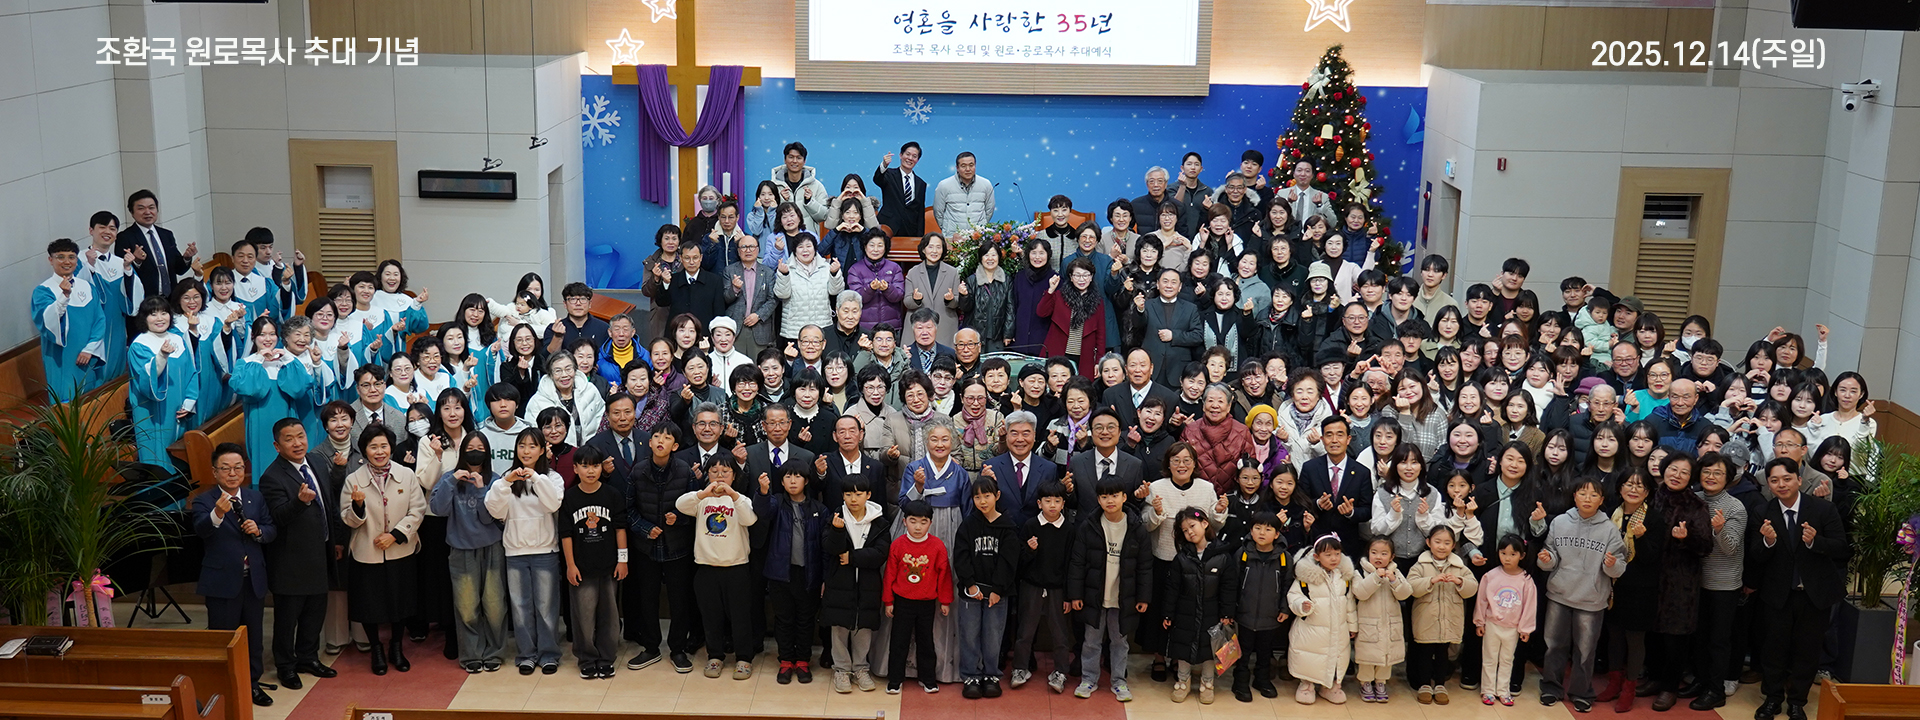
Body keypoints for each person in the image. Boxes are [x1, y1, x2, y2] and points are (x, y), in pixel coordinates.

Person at [1750, 457, 1850, 720]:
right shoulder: (1762, 512)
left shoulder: (1822, 509)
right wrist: (1768, 542)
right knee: (1773, 650)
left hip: (1813, 594)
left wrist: (1815, 542)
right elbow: (1755, 554)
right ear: (1768, 484)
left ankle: (1797, 702)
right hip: (1777, 595)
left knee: (1807, 651)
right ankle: (1772, 699)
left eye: (1787, 478)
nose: (1781, 484)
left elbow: (1841, 547)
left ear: (1799, 480)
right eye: (1774, 480)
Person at [257, 419, 341, 691]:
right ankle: (286, 666)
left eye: (301, 436)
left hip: (320, 554)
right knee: (287, 620)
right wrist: (299, 502)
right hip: (290, 562)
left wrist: (336, 541)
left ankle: (308, 658)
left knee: (314, 614)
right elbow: (278, 517)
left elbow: (328, 504)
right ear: (277, 446)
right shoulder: (272, 477)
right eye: (289, 439)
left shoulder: (316, 462)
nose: (297, 443)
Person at [193, 444, 276, 707]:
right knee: (224, 637)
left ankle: (252, 684)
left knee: (253, 637)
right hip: (222, 582)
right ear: (215, 472)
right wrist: (218, 513)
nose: (232, 473)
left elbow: (271, 528)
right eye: (226, 468)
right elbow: (201, 530)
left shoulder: (255, 498)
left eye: (238, 468)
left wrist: (259, 531)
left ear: (244, 470)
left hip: (253, 580)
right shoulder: (204, 500)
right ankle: (224, 686)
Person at [340, 424, 426, 675]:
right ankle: (376, 649)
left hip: (400, 550)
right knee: (370, 604)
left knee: (400, 602)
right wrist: (358, 507)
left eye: (384, 446)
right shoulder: (353, 480)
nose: (379, 452)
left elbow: (418, 510)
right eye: (373, 447)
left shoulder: (406, 475)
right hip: (367, 551)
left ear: (391, 447)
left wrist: (396, 535)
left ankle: (396, 647)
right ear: (364, 450)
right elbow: (347, 518)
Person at [1535, 479, 1627, 712]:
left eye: (1594, 495)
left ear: (1602, 500)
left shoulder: (1609, 529)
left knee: (1585, 651)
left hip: (1591, 600)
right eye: (1583, 493)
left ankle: (1581, 692)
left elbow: (1619, 566)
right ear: (1574, 496)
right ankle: (1551, 687)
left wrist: (1612, 565)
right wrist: (1546, 559)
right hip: (1559, 594)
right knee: (1554, 646)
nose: (1587, 498)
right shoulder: (1559, 522)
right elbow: (1550, 554)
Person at [430, 433, 510, 673]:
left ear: (487, 453)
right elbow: (438, 509)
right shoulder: (449, 478)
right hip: (461, 550)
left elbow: (488, 517)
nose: (475, 452)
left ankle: (494, 652)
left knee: (495, 606)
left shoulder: (495, 480)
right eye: (471, 447)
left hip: (492, 548)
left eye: (481, 448)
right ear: (462, 451)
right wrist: (451, 482)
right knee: (466, 607)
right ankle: (471, 654)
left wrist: (481, 489)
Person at [1068, 476, 1153, 701]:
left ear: (1124, 497)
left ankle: (1119, 681)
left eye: (1115, 495)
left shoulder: (1136, 527)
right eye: (1104, 497)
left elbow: (1145, 566)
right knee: (1091, 641)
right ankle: (1088, 679)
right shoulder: (1089, 526)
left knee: (1120, 642)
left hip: (1123, 598)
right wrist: (1075, 594)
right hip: (1094, 596)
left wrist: (1143, 597)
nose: (1110, 501)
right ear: (1098, 500)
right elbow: (1077, 562)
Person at [679, 456, 759, 680]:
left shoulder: (741, 499)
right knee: (710, 616)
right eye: (714, 471)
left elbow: (750, 519)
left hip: (736, 568)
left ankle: (744, 658)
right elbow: (680, 505)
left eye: (725, 471)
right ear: (707, 475)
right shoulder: (701, 500)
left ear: (734, 475)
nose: (720, 475)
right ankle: (715, 656)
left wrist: (733, 495)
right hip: (706, 568)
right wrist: (703, 493)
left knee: (740, 616)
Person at [753, 458, 829, 684]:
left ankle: (803, 661)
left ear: (806, 481)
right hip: (780, 574)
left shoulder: (819, 509)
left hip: (809, 575)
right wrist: (763, 492)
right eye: (788, 476)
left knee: (806, 619)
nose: (793, 481)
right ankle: (786, 660)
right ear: (782, 482)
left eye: (798, 476)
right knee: (784, 619)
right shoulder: (776, 502)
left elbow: (825, 548)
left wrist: (825, 578)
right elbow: (762, 512)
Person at [557, 444, 627, 679]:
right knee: (583, 617)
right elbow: (566, 534)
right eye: (585, 466)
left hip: (609, 567)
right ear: (575, 469)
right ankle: (587, 658)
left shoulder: (612, 494)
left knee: (610, 616)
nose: (590, 471)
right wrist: (570, 565)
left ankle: (606, 658)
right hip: (582, 568)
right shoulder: (569, 497)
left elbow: (620, 529)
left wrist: (623, 560)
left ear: (601, 468)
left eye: (595, 466)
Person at [820, 474, 890, 693]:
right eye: (848, 494)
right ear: (842, 495)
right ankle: (841, 670)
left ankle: (861, 668)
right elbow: (829, 548)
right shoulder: (835, 518)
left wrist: (853, 557)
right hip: (839, 583)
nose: (853, 499)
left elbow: (881, 553)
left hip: (868, 585)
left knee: (863, 628)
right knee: (839, 628)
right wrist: (837, 530)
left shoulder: (880, 522)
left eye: (858, 494)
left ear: (868, 495)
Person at [951, 476, 1016, 698]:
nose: (982, 501)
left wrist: (998, 589)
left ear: (997, 496)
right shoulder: (968, 525)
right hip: (971, 592)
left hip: (997, 594)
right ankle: (970, 675)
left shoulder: (1008, 527)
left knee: (993, 636)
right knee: (969, 634)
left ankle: (991, 675)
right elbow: (961, 557)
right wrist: (970, 585)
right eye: (977, 497)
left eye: (987, 496)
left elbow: (1009, 561)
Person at [1010, 480, 1074, 694]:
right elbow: (1020, 561)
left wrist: (1069, 595)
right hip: (1032, 587)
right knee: (1025, 631)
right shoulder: (1030, 526)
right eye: (1048, 501)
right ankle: (1020, 668)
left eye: (1057, 501)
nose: (1052, 505)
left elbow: (1071, 564)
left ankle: (1060, 671)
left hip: (1058, 589)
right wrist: (1030, 550)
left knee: (1060, 634)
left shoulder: (1069, 529)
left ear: (1063, 504)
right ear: (1039, 503)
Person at [883, 499, 953, 694]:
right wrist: (888, 601)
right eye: (913, 521)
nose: (918, 527)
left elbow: (944, 574)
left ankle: (927, 678)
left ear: (931, 523)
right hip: (902, 602)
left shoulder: (937, 546)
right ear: (904, 521)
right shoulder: (898, 545)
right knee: (899, 641)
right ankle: (895, 679)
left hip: (927, 602)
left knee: (926, 642)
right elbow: (889, 574)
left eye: (923, 522)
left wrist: (945, 600)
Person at [1159, 509, 1225, 704]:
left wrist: (1227, 612)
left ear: (1204, 523)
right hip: (1184, 611)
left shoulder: (1221, 555)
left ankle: (1207, 683)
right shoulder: (1181, 558)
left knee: (1209, 648)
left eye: (1192, 526)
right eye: (1185, 530)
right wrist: (1168, 614)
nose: (1190, 532)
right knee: (1183, 646)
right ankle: (1183, 681)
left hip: (1212, 611)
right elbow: (1172, 589)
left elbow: (1228, 588)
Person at [1408, 525, 1478, 706]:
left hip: (1449, 619)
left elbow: (1472, 587)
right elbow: (1411, 586)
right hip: (1426, 619)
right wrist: (1431, 580)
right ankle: (1424, 685)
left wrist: (1459, 581)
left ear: (1453, 545)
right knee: (1424, 653)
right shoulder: (1420, 565)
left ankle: (1440, 685)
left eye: (1447, 543)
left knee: (1442, 653)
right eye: (1437, 542)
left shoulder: (1459, 566)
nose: (1441, 546)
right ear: (1428, 542)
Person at [34, 238, 106, 401]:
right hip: (62, 359)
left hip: (88, 356)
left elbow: (99, 320)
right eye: (60, 257)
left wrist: (90, 349)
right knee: (67, 401)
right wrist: (63, 297)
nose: (67, 262)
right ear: (50, 260)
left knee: (91, 401)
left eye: (71, 257)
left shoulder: (87, 287)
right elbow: (47, 324)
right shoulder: (43, 291)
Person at [1288, 534, 1357, 705]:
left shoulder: (1343, 578)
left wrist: (1352, 625)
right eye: (1328, 555)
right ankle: (1306, 685)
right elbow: (1293, 595)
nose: (1334, 559)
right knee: (1309, 657)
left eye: (1337, 554)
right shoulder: (1306, 578)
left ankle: (1330, 686)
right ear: (1316, 556)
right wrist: (1301, 605)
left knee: (1336, 656)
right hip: (1311, 629)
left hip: (1338, 629)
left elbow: (1349, 602)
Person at [1474, 534, 1538, 707]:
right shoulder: (1490, 576)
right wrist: (1479, 622)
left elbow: (1529, 606)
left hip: (1512, 628)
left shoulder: (1526, 580)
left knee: (1507, 659)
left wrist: (1525, 629)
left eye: (1512, 554)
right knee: (1489, 658)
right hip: (1492, 624)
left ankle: (1503, 690)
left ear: (1522, 555)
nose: (1507, 558)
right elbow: (1482, 600)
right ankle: (1488, 690)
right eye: (1503, 553)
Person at [1353, 537, 1413, 703]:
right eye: (1374, 552)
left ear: (1391, 556)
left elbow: (1405, 593)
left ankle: (1381, 682)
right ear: (1368, 553)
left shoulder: (1395, 572)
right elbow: (1360, 593)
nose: (1378, 557)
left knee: (1386, 655)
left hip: (1390, 624)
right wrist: (1375, 578)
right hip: (1368, 625)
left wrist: (1393, 580)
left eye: (1384, 553)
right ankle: (1365, 682)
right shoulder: (1360, 572)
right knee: (1367, 655)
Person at [115, 189, 196, 303]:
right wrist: (137, 261)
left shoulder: (166, 235)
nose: (147, 212)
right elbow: (123, 273)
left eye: (151, 207)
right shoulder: (125, 237)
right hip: (145, 301)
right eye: (141, 208)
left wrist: (186, 258)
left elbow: (179, 269)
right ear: (132, 213)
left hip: (171, 300)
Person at [722, 237, 779, 360]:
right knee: (736, 366)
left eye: (752, 247)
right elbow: (726, 298)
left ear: (758, 249)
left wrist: (758, 315)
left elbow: (773, 299)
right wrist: (734, 289)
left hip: (760, 327)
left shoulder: (768, 272)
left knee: (758, 365)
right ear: (738, 251)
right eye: (744, 247)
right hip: (737, 327)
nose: (748, 250)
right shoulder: (729, 271)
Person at [902, 234, 962, 340]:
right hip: (919, 327)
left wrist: (950, 300)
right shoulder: (912, 272)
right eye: (930, 247)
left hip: (944, 327)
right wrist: (915, 299)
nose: (934, 251)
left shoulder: (953, 272)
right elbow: (907, 302)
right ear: (923, 249)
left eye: (938, 247)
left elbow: (957, 303)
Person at [847, 229, 906, 332]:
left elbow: (899, 295)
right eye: (871, 245)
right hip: (864, 327)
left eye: (880, 245)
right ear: (865, 247)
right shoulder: (855, 269)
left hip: (891, 326)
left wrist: (887, 288)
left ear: (885, 248)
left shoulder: (894, 268)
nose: (875, 249)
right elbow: (856, 298)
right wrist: (870, 288)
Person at [771, 142, 831, 233]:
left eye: (799, 158)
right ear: (785, 160)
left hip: (807, 239)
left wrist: (809, 201)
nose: (794, 161)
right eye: (791, 157)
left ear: (804, 161)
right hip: (782, 239)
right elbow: (768, 217)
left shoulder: (816, 185)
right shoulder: (774, 185)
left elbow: (824, 216)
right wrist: (782, 201)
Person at [875, 142, 929, 237]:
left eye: (914, 156)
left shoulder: (921, 183)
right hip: (888, 227)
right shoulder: (889, 174)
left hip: (909, 230)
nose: (910, 158)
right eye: (907, 154)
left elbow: (920, 213)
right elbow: (877, 179)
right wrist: (884, 165)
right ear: (901, 155)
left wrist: (920, 236)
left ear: (917, 160)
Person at [932, 151, 993, 233]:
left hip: (977, 236)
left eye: (971, 165)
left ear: (975, 165)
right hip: (952, 236)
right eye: (963, 166)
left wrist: (979, 229)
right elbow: (938, 212)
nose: (968, 169)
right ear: (957, 168)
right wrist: (948, 229)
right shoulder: (944, 185)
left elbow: (989, 210)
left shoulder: (986, 184)